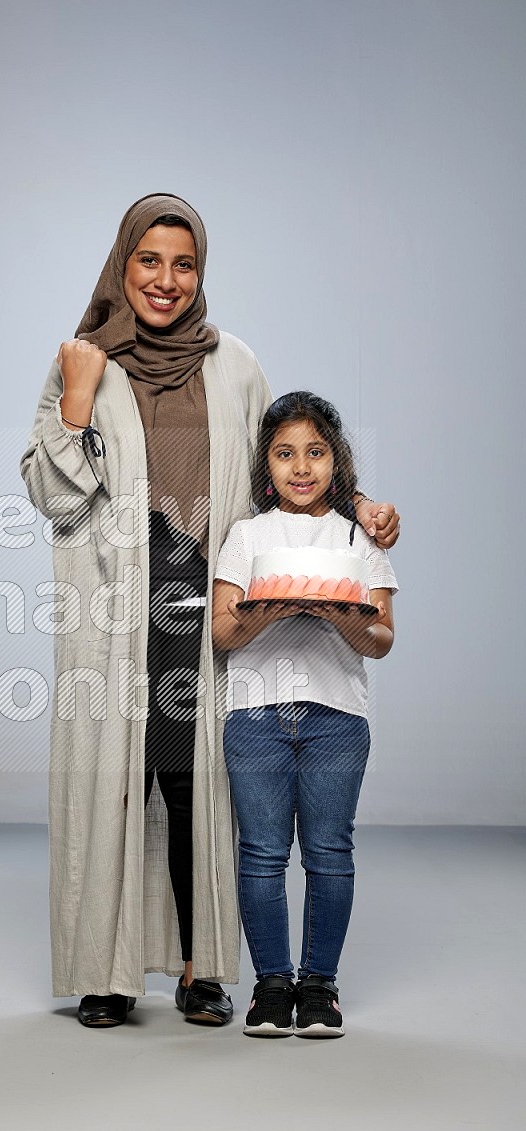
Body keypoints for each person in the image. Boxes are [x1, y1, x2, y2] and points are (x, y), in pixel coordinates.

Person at [20, 195, 400, 1029]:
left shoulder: (235, 365)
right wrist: (79, 399)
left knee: (195, 789)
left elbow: (282, 473)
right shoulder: (82, 361)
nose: (166, 280)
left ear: (202, 274)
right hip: (113, 612)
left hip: (206, 606)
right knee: (115, 787)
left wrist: (359, 504)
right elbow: (52, 494)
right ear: (123, 263)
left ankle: (201, 969)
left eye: (183, 263)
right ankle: (106, 972)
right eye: (148, 260)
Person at [212, 391, 398, 1037]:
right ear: (267, 464)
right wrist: (267, 612)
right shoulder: (247, 535)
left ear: (336, 462)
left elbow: (382, 639)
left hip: (337, 716)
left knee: (328, 852)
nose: (301, 466)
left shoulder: (357, 536)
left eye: (315, 452)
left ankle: (319, 987)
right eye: (286, 453)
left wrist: (342, 618)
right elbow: (222, 634)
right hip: (256, 714)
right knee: (262, 853)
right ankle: (271, 986)